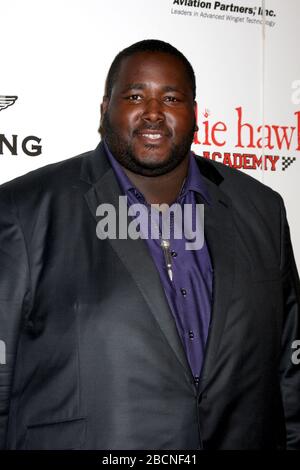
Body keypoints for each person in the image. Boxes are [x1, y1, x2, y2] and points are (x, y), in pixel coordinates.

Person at [0, 39, 299, 450]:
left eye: (172, 97)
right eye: (136, 95)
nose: (154, 112)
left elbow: (289, 365)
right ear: (104, 109)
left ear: (195, 114)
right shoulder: (24, 209)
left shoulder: (262, 209)